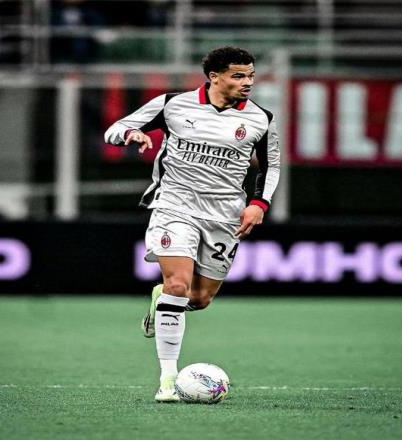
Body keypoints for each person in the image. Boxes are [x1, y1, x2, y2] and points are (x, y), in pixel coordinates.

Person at [104, 46, 280, 402]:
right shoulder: (173, 104)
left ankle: (161, 302)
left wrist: (259, 203)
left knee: (199, 299)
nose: (247, 82)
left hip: (225, 216)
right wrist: (131, 135)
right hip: (174, 206)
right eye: (238, 75)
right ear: (214, 77)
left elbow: (271, 166)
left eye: (250, 75)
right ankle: (167, 381)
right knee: (178, 285)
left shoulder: (261, 119)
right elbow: (115, 129)